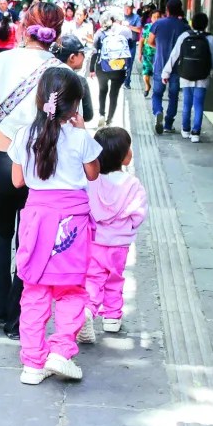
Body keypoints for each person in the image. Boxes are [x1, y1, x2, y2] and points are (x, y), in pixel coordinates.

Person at [0, 2, 65, 339]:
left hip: (0, 157)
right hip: (41, 164)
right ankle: (19, 318)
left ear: (23, 28)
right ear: (57, 34)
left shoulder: (2, 61)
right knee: (30, 239)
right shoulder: (63, 72)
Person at [10, 66, 101, 384]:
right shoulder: (80, 138)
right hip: (72, 224)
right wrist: (83, 130)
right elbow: (93, 174)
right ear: (75, 105)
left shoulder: (24, 136)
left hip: (36, 220)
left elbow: (18, 181)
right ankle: (61, 351)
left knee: (34, 290)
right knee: (70, 288)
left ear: (40, 99)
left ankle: (33, 364)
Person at [85, 126, 146, 336]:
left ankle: (88, 309)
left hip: (95, 241)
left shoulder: (92, 180)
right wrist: (128, 227)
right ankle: (112, 317)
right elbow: (139, 213)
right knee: (115, 278)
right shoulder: (132, 184)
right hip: (119, 244)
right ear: (125, 156)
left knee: (93, 278)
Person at [160, 11, 213, 141]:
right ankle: (196, 133)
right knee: (198, 104)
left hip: (185, 75)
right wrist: (210, 73)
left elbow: (174, 55)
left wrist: (166, 72)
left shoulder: (184, 36)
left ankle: (185, 130)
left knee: (186, 103)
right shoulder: (210, 39)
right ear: (206, 24)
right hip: (202, 77)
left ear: (192, 23)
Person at [148, 0, 188, 135]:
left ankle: (158, 112)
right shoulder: (184, 27)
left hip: (160, 65)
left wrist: (159, 47)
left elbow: (150, 41)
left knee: (157, 94)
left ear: (167, 10)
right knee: (173, 96)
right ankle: (168, 124)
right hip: (177, 68)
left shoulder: (158, 23)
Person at [93, 13, 133, 126]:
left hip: (103, 66)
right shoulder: (125, 31)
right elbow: (130, 47)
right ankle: (109, 119)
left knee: (102, 90)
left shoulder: (100, 33)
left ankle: (101, 114)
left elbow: (95, 50)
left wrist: (91, 68)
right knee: (114, 94)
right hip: (119, 68)